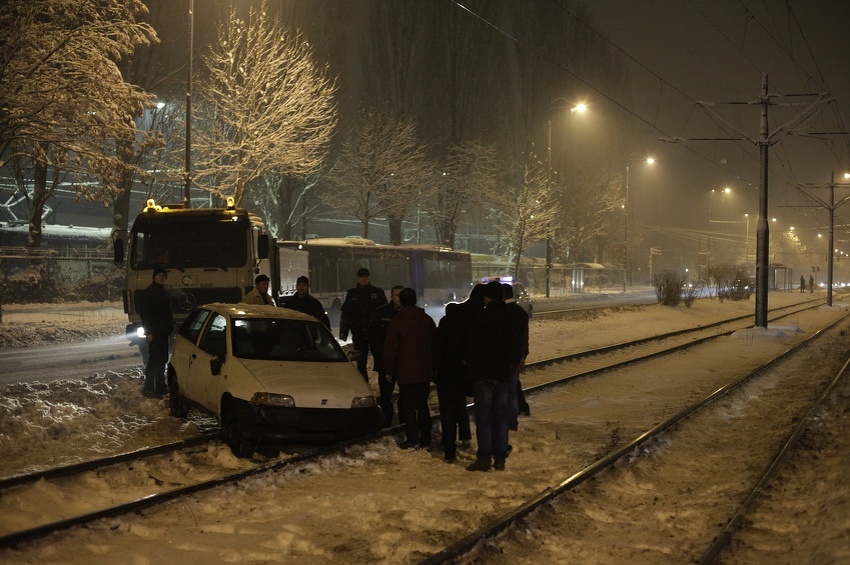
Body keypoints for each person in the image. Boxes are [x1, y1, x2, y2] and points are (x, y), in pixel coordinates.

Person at [465, 281, 521, 472]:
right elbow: (516, 346)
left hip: (484, 374)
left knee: (484, 417)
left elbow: (471, 345)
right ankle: (500, 458)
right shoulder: (511, 317)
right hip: (503, 373)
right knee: (501, 416)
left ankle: (484, 458)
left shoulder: (482, 317)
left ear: (487, 297)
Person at [434, 284, 484, 463]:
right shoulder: (472, 320)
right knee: (461, 406)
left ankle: (449, 449)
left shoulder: (447, 323)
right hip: (463, 372)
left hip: (447, 373)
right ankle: (465, 438)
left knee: (448, 411)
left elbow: (437, 348)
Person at [383, 287, 437, 449]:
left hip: (406, 372)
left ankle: (413, 439)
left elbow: (391, 349)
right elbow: (434, 345)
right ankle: (426, 439)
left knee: (408, 407)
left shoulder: (397, 322)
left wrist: (389, 371)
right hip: (424, 371)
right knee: (422, 405)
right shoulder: (427, 320)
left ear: (402, 301)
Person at [339, 267, 388, 381]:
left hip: (376, 333)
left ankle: (384, 386)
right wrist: (343, 332)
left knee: (381, 362)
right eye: (361, 277)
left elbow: (385, 312)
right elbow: (346, 314)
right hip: (359, 332)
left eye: (365, 276)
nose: (364, 279)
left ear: (369, 277)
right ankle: (365, 386)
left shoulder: (377, 292)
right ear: (358, 278)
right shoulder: (352, 294)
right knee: (361, 363)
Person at [368, 285, 405, 427]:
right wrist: (380, 355)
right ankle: (387, 419)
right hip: (386, 361)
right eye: (396, 295)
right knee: (385, 394)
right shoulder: (382, 312)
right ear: (391, 297)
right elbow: (373, 335)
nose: (399, 298)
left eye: (401, 295)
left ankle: (403, 418)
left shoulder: (408, 314)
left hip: (403, 362)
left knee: (405, 394)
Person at [139, 267, 174, 398]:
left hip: (163, 332)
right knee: (154, 360)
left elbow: (167, 313)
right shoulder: (148, 293)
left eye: (163, 275)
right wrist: (148, 332)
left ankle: (160, 386)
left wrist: (170, 327)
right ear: (154, 277)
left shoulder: (164, 292)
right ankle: (149, 387)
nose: (161, 277)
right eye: (159, 275)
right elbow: (146, 315)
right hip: (155, 332)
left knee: (162, 359)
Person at [503, 283, 531, 431]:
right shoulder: (521, 312)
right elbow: (524, 336)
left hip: (504, 356)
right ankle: (513, 421)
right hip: (516, 356)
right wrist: (523, 354)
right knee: (513, 388)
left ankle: (506, 420)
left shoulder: (503, 312)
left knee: (504, 390)